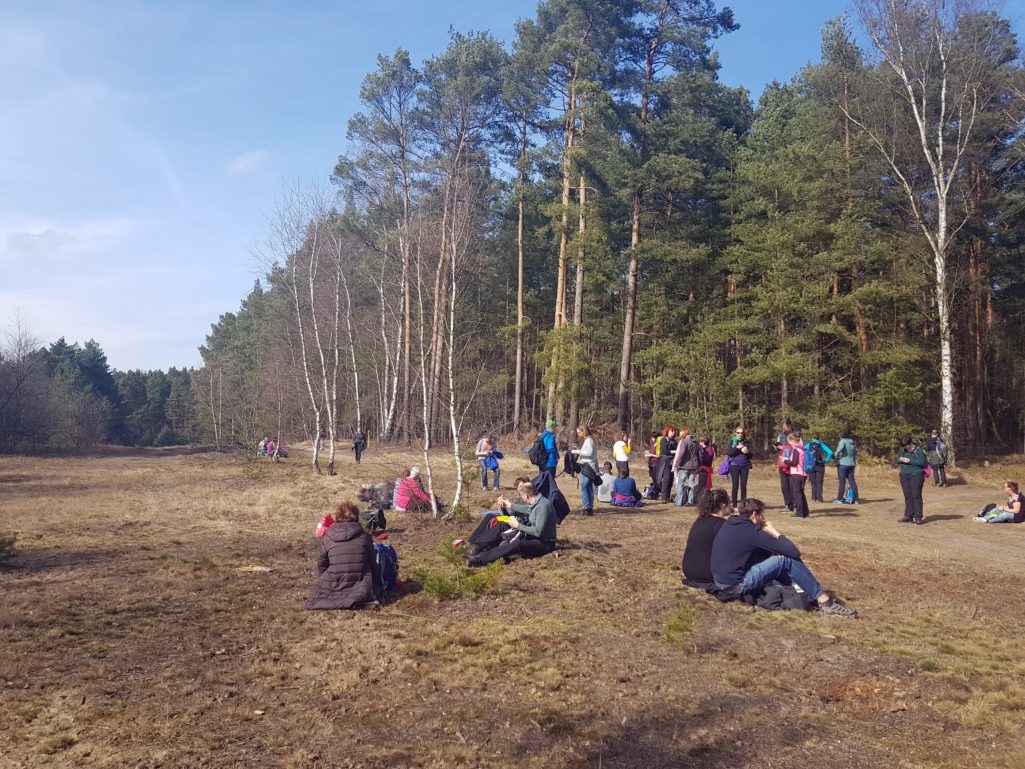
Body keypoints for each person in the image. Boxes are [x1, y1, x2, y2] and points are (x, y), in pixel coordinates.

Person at [710, 498, 857, 616]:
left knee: (775, 557)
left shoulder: (731, 523)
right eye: (762, 515)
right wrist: (774, 531)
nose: (763, 518)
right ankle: (824, 602)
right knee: (786, 559)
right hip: (736, 585)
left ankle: (799, 588)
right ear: (754, 514)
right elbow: (793, 552)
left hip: (721, 581)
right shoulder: (752, 532)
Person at [305, 501, 381, 610]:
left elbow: (322, 563)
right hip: (360, 583)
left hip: (333, 581)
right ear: (356, 517)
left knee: (316, 600)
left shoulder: (328, 537)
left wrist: (324, 580)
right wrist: (376, 583)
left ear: (337, 517)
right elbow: (373, 564)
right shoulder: (365, 537)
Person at [466, 482, 557, 567]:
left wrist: (517, 525)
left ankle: (479, 560)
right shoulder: (537, 502)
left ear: (527, 495)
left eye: (522, 495)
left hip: (544, 543)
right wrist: (509, 505)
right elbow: (528, 509)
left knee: (517, 544)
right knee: (503, 525)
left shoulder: (543, 506)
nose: (522, 498)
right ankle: (477, 547)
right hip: (532, 536)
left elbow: (538, 532)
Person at [681, 489, 732, 590]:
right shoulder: (721, 525)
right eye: (729, 504)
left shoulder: (700, 520)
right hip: (706, 574)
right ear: (723, 506)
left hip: (689, 571)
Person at [897, 435, 928, 524]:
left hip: (916, 474)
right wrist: (901, 459)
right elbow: (897, 460)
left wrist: (909, 461)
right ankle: (908, 515)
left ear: (910, 443)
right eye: (903, 446)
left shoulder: (920, 450)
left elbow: (922, 462)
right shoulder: (902, 449)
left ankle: (918, 516)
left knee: (916, 495)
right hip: (904, 475)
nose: (905, 448)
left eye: (906, 446)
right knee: (908, 495)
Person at [570, 425, 599, 516]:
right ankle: (589, 508)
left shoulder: (589, 440)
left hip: (588, 467)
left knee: (584, 487)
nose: (578, 434)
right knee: (589, 487)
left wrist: (576, 452)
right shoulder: (589, 440)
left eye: (579, 432)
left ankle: (586, 508)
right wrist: (579, 449)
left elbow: (589, 453)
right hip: (590, 466)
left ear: (584, 431)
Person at [783, 432, 809, 518]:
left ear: (792, 440)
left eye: (788, 441)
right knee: (801, 493)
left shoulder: (796, 450)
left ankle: (799, 513)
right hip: (803, 474)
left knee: (796, 493)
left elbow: (794, 463)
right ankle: (805, 512)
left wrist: (785, 461)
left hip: (797, 473)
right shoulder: (803, 448)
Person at [672, 428, 700, 507]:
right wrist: (698, 465)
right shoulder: (695, 443)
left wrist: (677, 463)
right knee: (691, 484)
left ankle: (679, 501)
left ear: (684, 433)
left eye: (681, 432)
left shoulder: (684, 441)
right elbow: (698, 454)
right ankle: (690, 501)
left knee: (681, 483)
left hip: (684, 466)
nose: (679, 433)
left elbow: (681, 452)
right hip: (693, 466)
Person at [727, 426, 752, 507]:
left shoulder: (746, 442)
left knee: (743, 485)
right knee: (735, 485)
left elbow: (751, 455)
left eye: (741, 433)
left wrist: (747, 452)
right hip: (734, 466)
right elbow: (729, 453)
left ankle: (743, 504)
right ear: (735, 433)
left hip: (744, 466)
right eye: (738, 433)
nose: (740, 434)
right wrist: (737, 448)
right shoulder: (732, 441)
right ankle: (734, 504)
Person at [832, 430, 859, 504]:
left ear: (841, 436)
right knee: (852, 481)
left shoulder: (842, 441)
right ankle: (856, 499)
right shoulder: (852, 442)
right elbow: (855, 451)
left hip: (843, 464)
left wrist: (836, 456)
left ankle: (840, 499)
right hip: (852, 464)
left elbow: (838, 451)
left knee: (842, 482)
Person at [805, 433, 834, 503]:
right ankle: (819, 498)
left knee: (813, 482)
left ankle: (813, 498)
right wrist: (826, 460)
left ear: (812, 437)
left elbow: (804, 452)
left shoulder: (808, 445)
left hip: (811, 465)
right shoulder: (821, 445)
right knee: (819, 482)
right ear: (819, 438)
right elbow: (830, 452)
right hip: (820, 465)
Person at [774, 419, 795, 512]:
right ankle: (788, 505)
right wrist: (777, 447)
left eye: (786, 427)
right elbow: (778, 447)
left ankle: (795, 504)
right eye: (783, 428)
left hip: (793, 463)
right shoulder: (780, 435)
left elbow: (800, 447)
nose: (784, 429)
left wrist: (788, 447)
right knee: (784, 485)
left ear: (790, 426)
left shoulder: (796, 435)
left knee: (793, 485)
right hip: (782, 462)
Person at [655, 425, 677, 503]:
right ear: (667, 431)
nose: (673, 432)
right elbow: (663, 451)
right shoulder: (664, 440)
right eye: (672, 431)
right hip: (666, 462)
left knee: (671, 479)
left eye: (674, 431)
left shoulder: (674, 441)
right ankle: (663, 497)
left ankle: (668, 496)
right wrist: (673, 452)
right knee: (666, 479)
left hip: (673, 461)